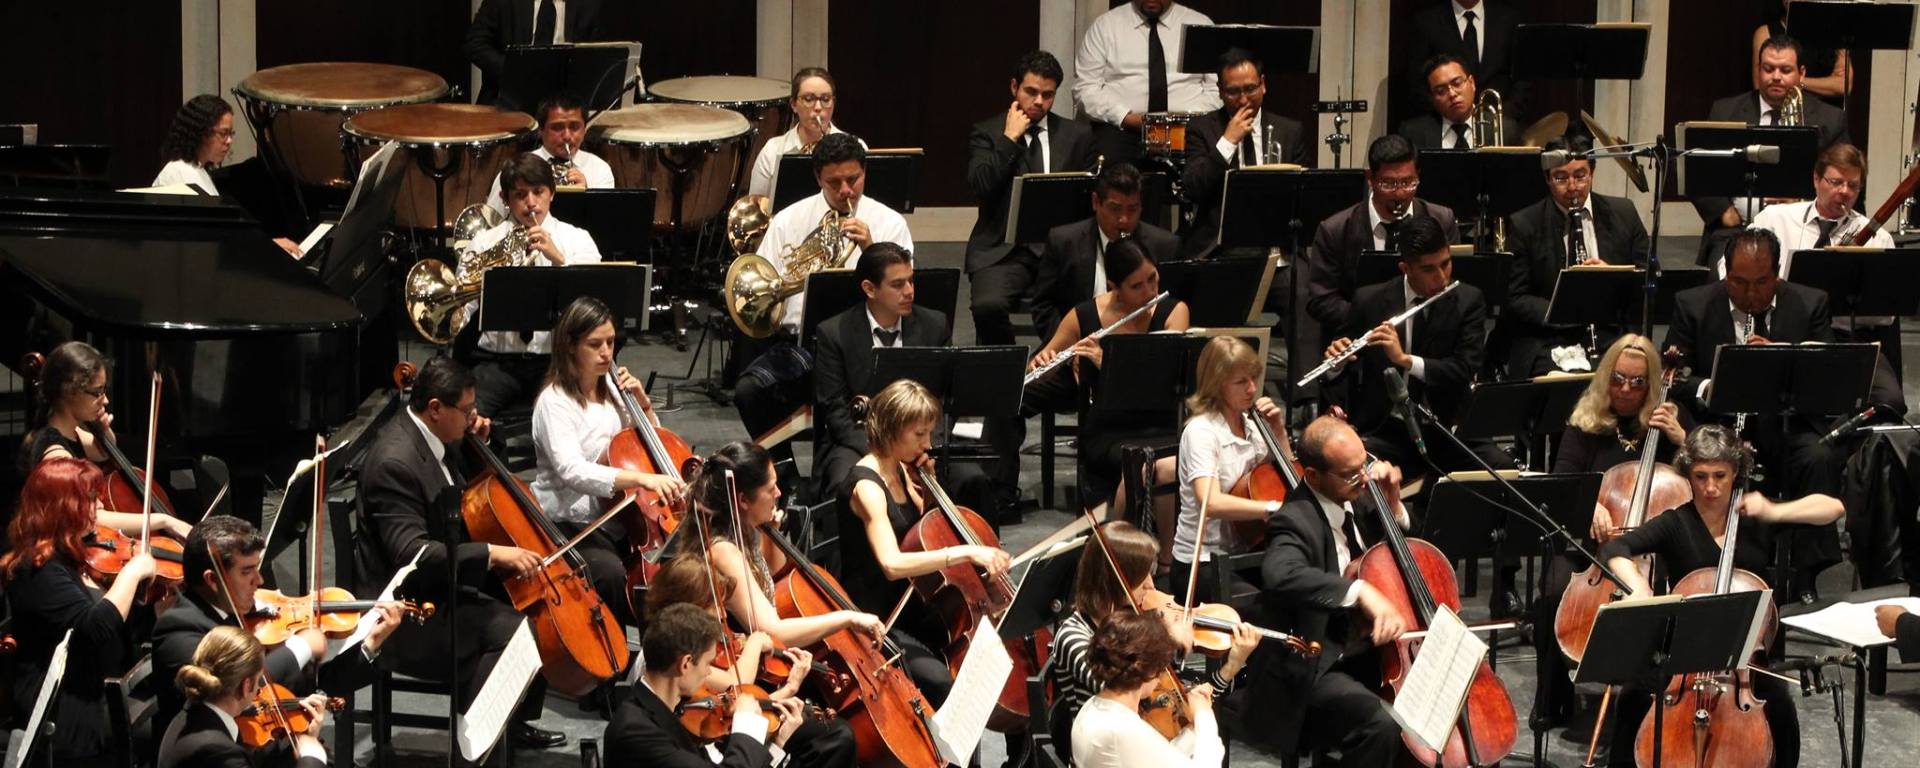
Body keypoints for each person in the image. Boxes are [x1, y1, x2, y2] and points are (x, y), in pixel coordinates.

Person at [351, 356, 568, 752]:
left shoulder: (440, 435)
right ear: (435, 408)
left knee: (535, 604)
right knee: (512, 632)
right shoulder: (394, 463)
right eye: (467, 411)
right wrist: (492, 553)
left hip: (445, 582)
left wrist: (482, 443)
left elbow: (477, 490)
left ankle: (510, 722)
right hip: (404, 612)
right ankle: (474, 748)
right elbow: (411, 554)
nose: (472, 418)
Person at [1597, 424, 1843, 768]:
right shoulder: (1676, 523)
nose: (1710, 487)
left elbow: (1833, 508)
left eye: (1720, 476)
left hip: (1744, 659)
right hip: (1685, 657)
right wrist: (1638, 585)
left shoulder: (1755, 518)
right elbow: (1615, 549)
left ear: (1735, 473)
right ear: (1688, 474)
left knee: (1781, 708)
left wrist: (1775, 512)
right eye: (1700, 476)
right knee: (1632, 698)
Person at [735, 133, 912, 493]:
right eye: (834, 182)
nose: (846, 190)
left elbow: (903, 296)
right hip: (804, 348)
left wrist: (871, 250)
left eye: (853, 179)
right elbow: (766, 284)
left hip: (868, 347)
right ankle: (785, 478)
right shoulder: (788, 220)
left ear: (865, 172)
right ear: (818, 178)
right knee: (749, 389)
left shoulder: (890, 222)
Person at [1530, 333, 1689, 723]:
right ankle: (1552, 696)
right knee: (1552, 591)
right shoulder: (1586, 423)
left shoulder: (1670, 420)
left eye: (1637, 382)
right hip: (1592, 546)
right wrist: (1590, 506)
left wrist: (1682, 440)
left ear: (1651, 384)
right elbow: (1564, 482)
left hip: (1653, 550)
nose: (1626, 389)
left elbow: (1704, 478)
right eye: (1618, 379)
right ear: (1606, 377)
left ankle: (1651, 704)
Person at [151, 515, 401, 761]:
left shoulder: (241, 615)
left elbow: (308, 685)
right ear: (213, 580)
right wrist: (300, 646)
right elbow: (243, 683)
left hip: (265, 746)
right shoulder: (178, 629)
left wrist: (370, 645)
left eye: (257, 569)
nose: (259, 581)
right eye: (247, 572)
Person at [834, 378, 1011, 707]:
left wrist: (929, 489)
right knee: (943, 682)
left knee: (992, 655)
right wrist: (965, 552)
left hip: (915, 604)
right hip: (881, 617)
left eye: (929, 433)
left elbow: (921, 529)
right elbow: (891, 564)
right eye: (919, 434)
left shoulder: (900, 469)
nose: (927, 443)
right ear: (891, 428)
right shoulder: (867, 487)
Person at [1241, 415, 1408, 765]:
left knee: (1436, 705)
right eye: (1350, 473)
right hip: (1315, 664)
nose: (1364, 478)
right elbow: (1280, 575)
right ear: (1313, 476)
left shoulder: (1360, 495)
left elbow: (1404, 554)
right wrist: (1359, 590)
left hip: (1369, 652)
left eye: (1365, 465)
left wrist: (1393, 504)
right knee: (1380, 727)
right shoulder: (1293, 518)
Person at [529, 295, 688, 627]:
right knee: (611, 573)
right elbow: (571, 470)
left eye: (611, 342)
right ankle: (613, 648)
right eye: (595, 344)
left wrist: (644, 405)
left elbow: (648, 443)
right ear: (570, 346)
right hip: (571, 522)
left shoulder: (614, 390)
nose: (606, 353)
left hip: (617, 517)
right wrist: (641, 480)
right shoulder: (554, 403)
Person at [1045, 521, 1255, 764]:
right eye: (1141, 576)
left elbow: (1178, 707)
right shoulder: (1074, 637)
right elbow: (1129, 687)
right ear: (1114, 579)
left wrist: (1230, 668)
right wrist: (1163, 642)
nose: (1151, 585)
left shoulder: (1131, 625)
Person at [2, 458, 164, 762]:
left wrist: (150, 598)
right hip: (69, 709)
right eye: (91, 499)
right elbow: (94, 629)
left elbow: (119, 625)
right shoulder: (36, 570)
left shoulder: (76, 556)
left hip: (103, 686)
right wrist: (131, 574)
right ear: (63, 507)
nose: (99, 506)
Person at [638, 553, 860, 768]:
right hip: (727, 747)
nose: (723, 615)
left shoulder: (680, 667)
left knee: (835, 735)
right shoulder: (672, 664)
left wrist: (788, 692)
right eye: (715, 606)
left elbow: (725, 710)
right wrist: (755, 642)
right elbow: (734, 688)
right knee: (835, 738)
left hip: (728, 741)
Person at [1322, 213, 1503, 476]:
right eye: (1428, 269)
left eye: (1446, 264)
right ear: (1405, 268)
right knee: (1354, 471)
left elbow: (1464, 369)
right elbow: (1339, 372)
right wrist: (1335, 364)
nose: (1441, 278)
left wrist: (1405, 360)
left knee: (1501, 467)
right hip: (1387, 430)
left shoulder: (1468, 300)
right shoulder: (1370, 300)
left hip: (1446, 429)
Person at [1027, 238, 1190, 515]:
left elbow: (1161, 382)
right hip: (1109, 430)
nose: (1150, 291)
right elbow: (1042, 361)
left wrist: (1108, 363)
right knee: (1140, 463)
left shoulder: (1174, 312)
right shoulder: (1083, 315)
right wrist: (1045, 364)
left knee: (1165, 462)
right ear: (1114, 286)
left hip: (1160, 423)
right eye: (1136, 286)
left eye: (1152, 278)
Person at [966, 50, 1096, 346]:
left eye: (1048, 95)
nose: (1039, 101)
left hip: (1062, 249)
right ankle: (1009, 367)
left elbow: (1090, 195)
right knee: (987, 306)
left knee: (1089, 306)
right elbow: (981, 186)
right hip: (1005, 251)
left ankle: (1058, 363)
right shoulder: (987, 133)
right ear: (1014, 87)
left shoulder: (1077, 135)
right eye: (1031, 92)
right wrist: (1009, 139)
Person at [461, 152, 603, 419]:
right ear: (504, 198)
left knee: (585, 417)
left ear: (552, 193)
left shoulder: (578, 239)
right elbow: (463, 309)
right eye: (520, 194)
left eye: (538, 192)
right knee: (464, 418)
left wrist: (558, 258)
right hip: (497, 363)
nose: (531, 203)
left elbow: (592, 304)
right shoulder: (483, 244)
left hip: (557, 363)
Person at [1502, 133, 1652, 376]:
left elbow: (1649, 277)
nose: (1572, 187)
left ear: (1592, 173)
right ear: (1547, 178)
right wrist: (1563, 309)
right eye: (1561, 178)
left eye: (1580, 176)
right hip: (1549, 338)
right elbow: (1515, 297)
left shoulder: (1624, 213)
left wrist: (1613, 279)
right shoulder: (1525, 224)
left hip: (1611, 334)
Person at [15, 340, 198, 538]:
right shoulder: (56, 455)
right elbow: (90, 518)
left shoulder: (71, 433)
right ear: (70, 391)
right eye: (98, 392)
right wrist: (163, 520)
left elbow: (103, 453)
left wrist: (102, 430)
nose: (106, 399)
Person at [812, 244, 952, 500]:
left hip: (922, 439)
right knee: (844, 481)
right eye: (897, 285)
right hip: (862, 439)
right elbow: (836, 411)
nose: (909, 291)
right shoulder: (833, 333)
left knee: (971, 478)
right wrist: (887, 452)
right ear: (869, 288)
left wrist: (925, 444)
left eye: (911, 281)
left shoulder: (935, 325)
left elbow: (942, 397)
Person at [1693, 34, 1851, 259]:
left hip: (1806, 230)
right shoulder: (1725, 111)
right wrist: (1723, 212)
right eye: (1768, 69)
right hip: (1738, 230)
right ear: (1759, 70)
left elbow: (1844, 177)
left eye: (1785, 70)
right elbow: (1700, 167)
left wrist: (1803, 202)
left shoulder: (1830, 119)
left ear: (1801, 73)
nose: (1776, 77)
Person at [1747, 143, 1899, 376]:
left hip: (1847, 340)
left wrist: (1847, 301)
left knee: (1889, 396)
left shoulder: (1878, 238)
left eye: (1853, 185)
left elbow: (1886, 315)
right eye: (1836, 182)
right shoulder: (1774, 219)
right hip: (1780, 334)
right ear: (1816, 179)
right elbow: (1729, 267)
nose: (1845, 192)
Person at [1305, 135, 1459, 358]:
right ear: (1371, 178)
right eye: (1388, 184)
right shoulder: (1335, 230)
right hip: (1360, 343)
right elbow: (1321, 299)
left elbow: (1451, 286)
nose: (1400, 193)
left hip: (1427, 340)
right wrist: (1370, 318)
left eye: (1408, 183)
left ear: (1418, 176)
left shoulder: (1442, 219)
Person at [603, 603, 803, 768]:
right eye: (708, 663)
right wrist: (747, 725)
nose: (708, 673)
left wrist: (778, 744)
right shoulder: (636, 733)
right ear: (685, 664)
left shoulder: (666, 712)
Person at [1169, 336, 1290, 603]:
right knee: (1262, 609)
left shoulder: (1253, 425)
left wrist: (1278, 430)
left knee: (1299, 592)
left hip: (1248, 552)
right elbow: (1210, 502)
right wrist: (1270, 509)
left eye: (1253, 379)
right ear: (1216, 385)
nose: (1252, 388)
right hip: (1201, 563)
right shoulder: (1201, 431)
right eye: (1241, 382)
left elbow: (1288, 473)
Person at [1179, 47, 1313, 259]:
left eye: (1250, 89)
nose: (1243, 100)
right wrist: (1228, 141)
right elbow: (1193, 187)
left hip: (1277, 248)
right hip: (1221, 250)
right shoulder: (1201, 129)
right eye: (1233, 92)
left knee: (1302, 278)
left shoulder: (1290, 131)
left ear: (1263, 84)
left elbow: (1305, 196)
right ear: (1220, 91)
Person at [1029, 162, 1179, 343]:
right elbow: (1043, 307)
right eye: (1115, 209)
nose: (1124, 220)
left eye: (1132, 209)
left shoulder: (1165, 246)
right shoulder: (1064, 241)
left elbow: (1173, 308)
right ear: (1095, 202)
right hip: (1077, 346)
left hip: (1142, 348)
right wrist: (1068, 345)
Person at [157, 625, 330, 768]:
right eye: (259, 680)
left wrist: (304, 738)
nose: (260, 689)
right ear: (246, 686)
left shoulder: (194, 711)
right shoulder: (219, 752)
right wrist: (312, 760)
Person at [1072, 0, 1221, 166]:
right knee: (1105, 162)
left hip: (1187, 130)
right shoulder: (1105, 26)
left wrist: (1185, 119)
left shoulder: (1200, 26)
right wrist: (1125, 117)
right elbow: (1085, 88)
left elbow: (1218, 89)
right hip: (1122, 129)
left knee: (1209, 163)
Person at [1069, 611, 1223, 768]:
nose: (1161, 676)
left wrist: (1192, 730)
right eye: (1161, 667)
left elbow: (1156, 758)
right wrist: (1204, 714)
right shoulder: (1122, 728)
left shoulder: (1092, 708)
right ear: (1148, 670)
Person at [154, 94, 302, 257]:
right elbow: (206, 240)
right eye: (223, 133)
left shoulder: (197, 170)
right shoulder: (178, 173)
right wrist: (267, 245)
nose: (229, 141)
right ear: (201, 132)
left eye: (231, 134)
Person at [486, 93, 615, 216]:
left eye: (575, 127)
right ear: (540, 130)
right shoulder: (515, 167)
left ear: (584, 129)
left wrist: (587, 193)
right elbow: (494, 219)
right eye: (557, 127)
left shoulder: (599, 169)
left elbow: (604, 220)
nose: (567, 136)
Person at [1400, 0, 1522, 125]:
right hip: (1445, 126)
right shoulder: (1426, 22)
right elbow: (1417, 81)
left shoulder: (1509, 19)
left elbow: (1523, 77)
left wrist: (1503, 117)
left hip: (1500, 124)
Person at [464, 0, 605, 107]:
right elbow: (475, 43)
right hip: (506, 100)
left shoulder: (589, 4)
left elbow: (594, 59)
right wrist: (513, 74)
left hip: (563, 104)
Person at [749, 67, 863, 200]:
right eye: (809, 99)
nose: (818, 107)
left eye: (825, 99)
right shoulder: (773, 150)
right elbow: (757, 204)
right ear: (793, 104)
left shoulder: (855, 147)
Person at [1398, 54, 1517, 150]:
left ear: (1472, 83)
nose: (1452, 94)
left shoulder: (1504, 129)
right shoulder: (1413, 133)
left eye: (1457, 83)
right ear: (1431, 98)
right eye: (1441, 91)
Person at [1753, 1, 1851, 102]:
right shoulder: (1765, 33)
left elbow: (1843, 85)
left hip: (1826, 108)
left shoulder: (1832, 32)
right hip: (1782, 109)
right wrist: (1822, 85)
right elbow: (1761, 86)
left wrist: (1796, 81)